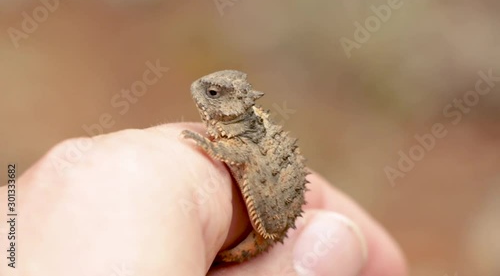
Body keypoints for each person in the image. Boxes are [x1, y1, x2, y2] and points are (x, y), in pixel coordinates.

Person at [0, 124, 407, 276]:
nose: (202, 96)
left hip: (274, 214)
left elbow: (246, 158)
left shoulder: (244, 139)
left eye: (214, 94)